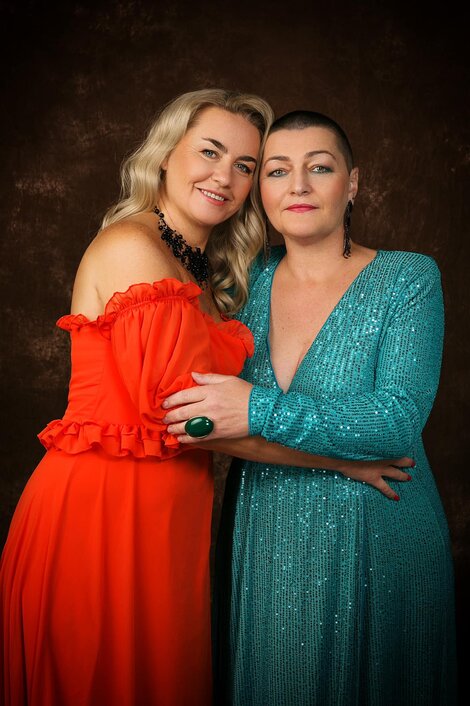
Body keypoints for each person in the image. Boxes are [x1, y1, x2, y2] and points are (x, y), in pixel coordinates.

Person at [0, 90, 414, 706]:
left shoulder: (199, 266)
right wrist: (340, 461)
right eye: (210, 152)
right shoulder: (134, 247)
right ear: (166, 155)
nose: (224, 177)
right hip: (103, 512)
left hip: (167, 519)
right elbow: (192, 421)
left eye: (246, 165)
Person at [162, 111, 458, 705]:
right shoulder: (241, 280)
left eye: (319, 168)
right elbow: (194, 417)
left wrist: (259, 409)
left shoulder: (408, 279)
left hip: (381, 529)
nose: (297, 185)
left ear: (353, 183)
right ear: (260, 191)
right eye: (277, 171)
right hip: (265, 528)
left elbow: (397, 421)